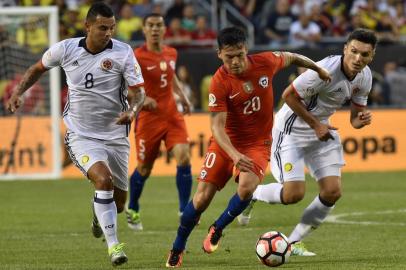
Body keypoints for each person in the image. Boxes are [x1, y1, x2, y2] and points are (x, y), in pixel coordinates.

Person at [165, 26, 331, 268]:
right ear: (219, 54)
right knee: (201, 200)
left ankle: (217, 228)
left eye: (239, 55)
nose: (235, 61)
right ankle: (177, 247)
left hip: (257, 144)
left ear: (246, 50)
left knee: (247, 187)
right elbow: (217, 128)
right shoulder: (219, 83)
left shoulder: (266, 62)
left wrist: (318, 68)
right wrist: (234, 154)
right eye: (229, 56)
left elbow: (294, 56)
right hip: (226, 145)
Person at [6, 2, 145, 266]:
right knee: (103, 180)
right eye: (103, 28)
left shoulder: (124, 52)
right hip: (81, 135)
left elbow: (139, 92)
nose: (108, 33)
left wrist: (134, 110)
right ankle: (115, 246)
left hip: (116, 135)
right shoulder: (66, 49)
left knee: (119, 204)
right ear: (88, 26)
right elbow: (37, 69)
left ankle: (98, 214)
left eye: (112, 27)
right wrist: (18, 92)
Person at [238, 28, 377, 256]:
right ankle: (254, 193)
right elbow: (287, 96)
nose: (358, 58)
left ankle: (292, 243)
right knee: (293, 194)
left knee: (332, 191)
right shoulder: (324, 70)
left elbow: (354, 119)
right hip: (292, 129)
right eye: (354, 52)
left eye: (364, 54)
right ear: (345, 49)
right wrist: (316, 125)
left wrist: (361, 120)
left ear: (372, 56)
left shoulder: (365, 76)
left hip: (321, 129)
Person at [126, 13, 193, 231]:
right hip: (148, 119)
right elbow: (127, 89)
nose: (155, 29)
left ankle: (184, 210)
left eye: (159, 25)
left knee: (183, 156)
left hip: (172, 115)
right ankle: (133, 207)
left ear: (165, 30)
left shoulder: (171, 52)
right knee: (144, 169)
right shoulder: (136, 56)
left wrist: (182, 96)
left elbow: (170, 75)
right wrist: (144, 99)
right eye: (151, 25)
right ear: (144, 29)